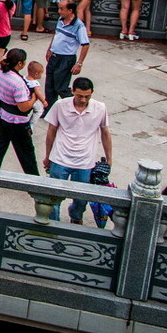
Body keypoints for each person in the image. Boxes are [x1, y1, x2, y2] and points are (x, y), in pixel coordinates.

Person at [43, 77, 113, 224]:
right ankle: (54, 222)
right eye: (79, 96)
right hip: (60, 158)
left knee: (81, 198)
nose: (83, 100)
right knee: (54, 195)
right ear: (72, 91)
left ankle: (75, 217)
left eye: (87, 96)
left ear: (92, 93)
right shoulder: (60, 105)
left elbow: (105, 133)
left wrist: (109, 159)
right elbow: (51, 131)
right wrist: (47, 156)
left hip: (85, 161)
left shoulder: (100, 108)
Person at [0, 48, 39, 175]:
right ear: (20, 63)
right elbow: (23, 107)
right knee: (26, 152)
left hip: (1, 114)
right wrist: (34, 98)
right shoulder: (17, 83)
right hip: (16, 121)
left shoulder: (0, 71)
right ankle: (35, 182)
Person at [44, 0, 90, 107]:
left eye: (61, 9)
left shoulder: (79, 26)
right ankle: (49, 109)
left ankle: (75, 106)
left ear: (70, 10)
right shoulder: (60, 20)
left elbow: (85, 45)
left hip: (66, 59)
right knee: (49, 86)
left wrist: (79, 63)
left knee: (61, 87)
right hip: (54, 56)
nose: (59, 11)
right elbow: (56, 35)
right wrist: (50, 49)